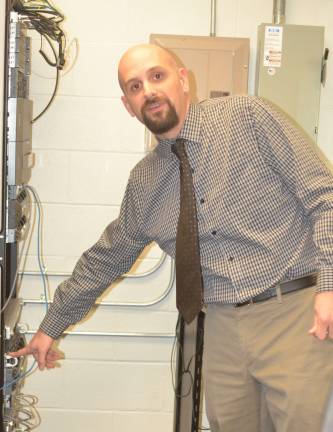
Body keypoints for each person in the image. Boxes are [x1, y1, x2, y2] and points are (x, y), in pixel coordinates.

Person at [10, 44, 333, 431]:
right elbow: (107, 258)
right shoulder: (145, 181)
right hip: (222, 327)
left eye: (156, 76)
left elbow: (324, 195)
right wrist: (51, 326)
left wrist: (329, 286)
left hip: (293, 312)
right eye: (134, 86)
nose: (148, 90)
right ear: (128, 106)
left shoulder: (247, 117)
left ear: (183, 80)